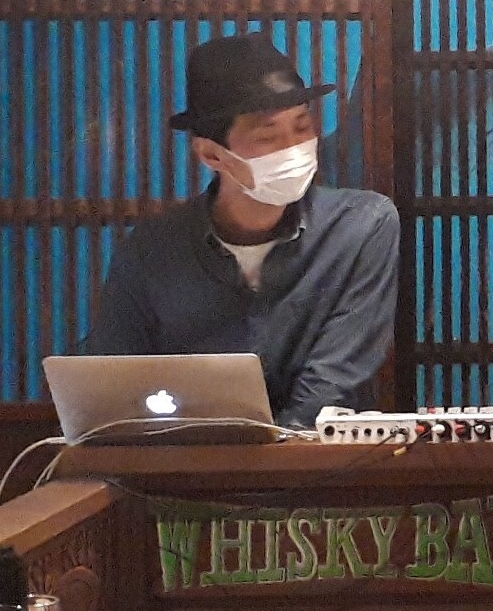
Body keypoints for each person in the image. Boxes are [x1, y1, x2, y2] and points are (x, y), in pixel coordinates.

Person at [84, 33, 398, 428]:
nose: (294, 146)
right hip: (186, 456)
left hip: (317, 458)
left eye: (302, 126)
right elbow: (110, 380)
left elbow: (333, 384)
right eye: (267, 136)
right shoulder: (152, 250)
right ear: (211, 154)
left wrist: (267, 452)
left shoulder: (361, 226)